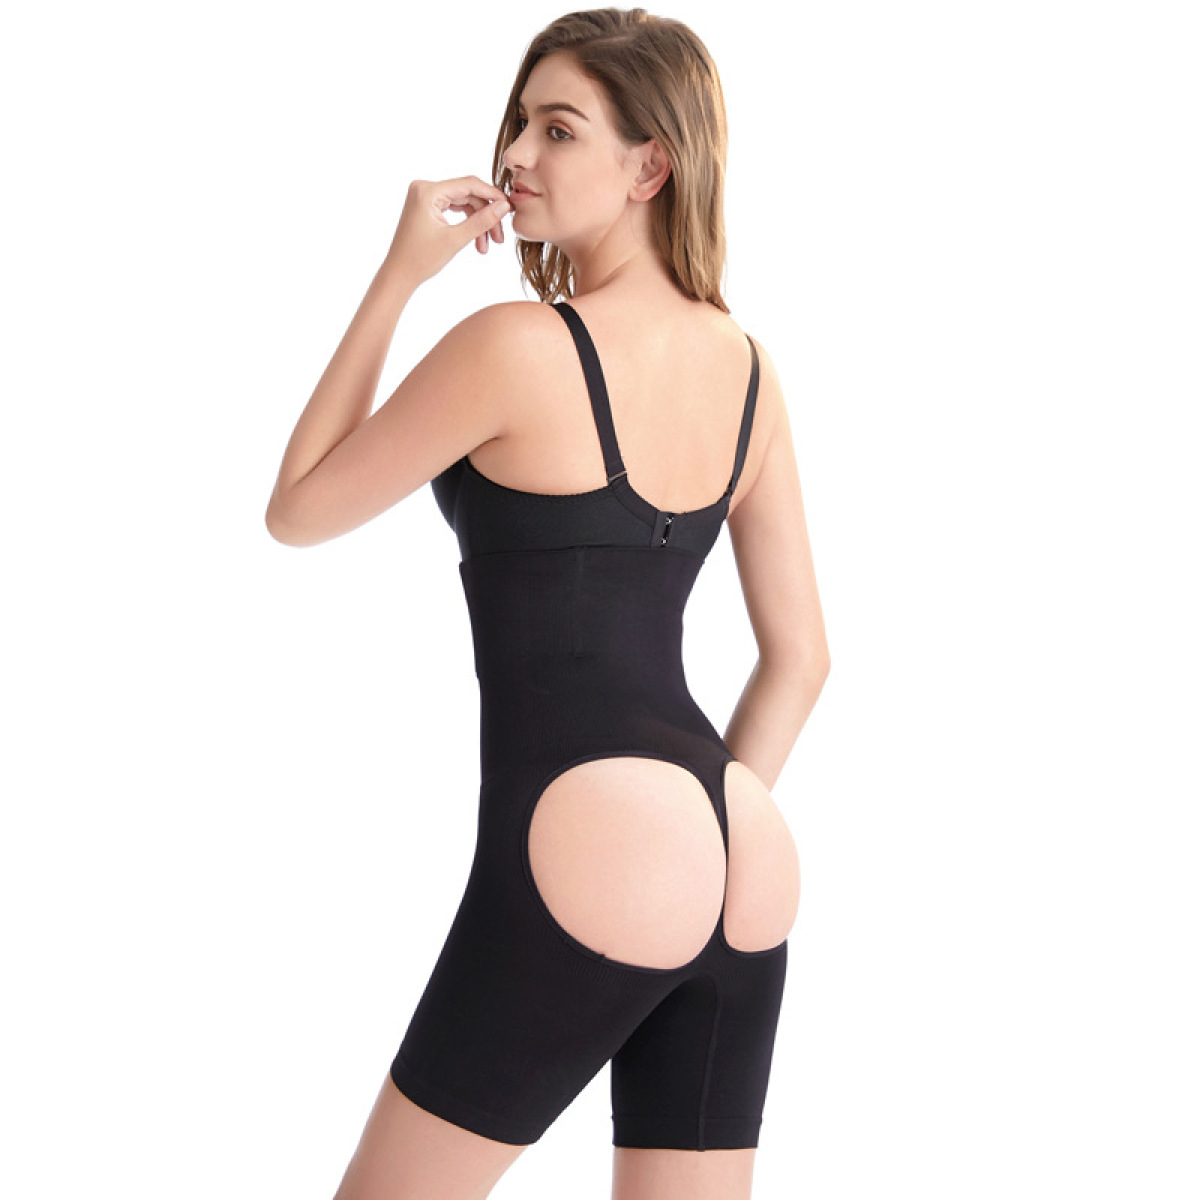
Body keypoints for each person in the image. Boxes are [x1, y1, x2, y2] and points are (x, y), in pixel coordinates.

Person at [265, 8, 829, 1199]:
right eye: (519, 121)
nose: (515, 153)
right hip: (744, 844)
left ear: (650, 167)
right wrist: (695, 837)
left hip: (594, 832)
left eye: (558, 129)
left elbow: (300, 508)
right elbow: (804, 657)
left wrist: (398, 276)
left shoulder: (516, 346)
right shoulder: (750, 368)